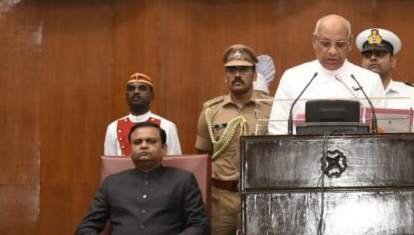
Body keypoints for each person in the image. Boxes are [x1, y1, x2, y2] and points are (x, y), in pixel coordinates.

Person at [76, 122, 210, 234]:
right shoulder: (111, 183)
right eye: (137, 142)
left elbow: (200, 225)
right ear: (130, 149)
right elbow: (85, 228)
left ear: (164, 148)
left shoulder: (183, 180)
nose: (144, 145)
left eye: (151, 141)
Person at [195, 44, 272, 235]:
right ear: (225, 75)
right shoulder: (211, 111)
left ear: (254, 75)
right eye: (231, 70)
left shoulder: (271, 108)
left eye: (243, 69)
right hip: (221, 199)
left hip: (259, 195)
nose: (237, 75)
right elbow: (203, 157)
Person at [268, 14, 386, 134]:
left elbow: (383, 129)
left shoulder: (370, 80)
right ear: (314, 41)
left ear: (350, 43)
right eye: (325, 43)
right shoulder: (292, 77)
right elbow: (278, 128)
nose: (333, 51)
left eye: (340, 44)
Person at [355, 27, 414, 159]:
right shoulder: (351, 96)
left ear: (393, 61)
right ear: (362, 63)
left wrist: (411, 164)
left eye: (380, 54)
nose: (372, 58)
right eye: (367, 55)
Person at [104, 72, 182, 156]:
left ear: (152, 95)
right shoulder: (113, 127)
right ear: (126, 96)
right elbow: (110, 162)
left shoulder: (167, 126)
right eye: (131, 88)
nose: (136, 91)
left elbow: (175, 161)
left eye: (142, 88)